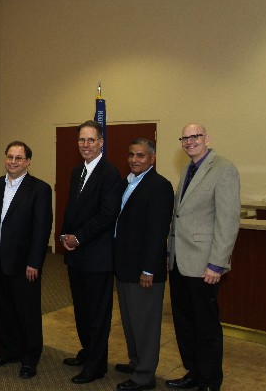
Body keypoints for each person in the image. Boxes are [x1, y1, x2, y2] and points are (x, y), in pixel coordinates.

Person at [166, 124, 240, 391]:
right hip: (179, 261)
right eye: (184, 138)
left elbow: (228, 221)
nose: (189, 142)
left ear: (207, 138)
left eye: (195, 136)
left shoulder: (224, 169)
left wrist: (216, 263)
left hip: (204, 264)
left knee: (206, 327)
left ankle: (210, 380)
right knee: (185, 323)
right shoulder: (188, 169)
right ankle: (194, 373)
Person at [0, 141, 53, 380]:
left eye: (19, 158)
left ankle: (30, 358)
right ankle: (8, 351)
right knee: (2, 310)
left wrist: (35, 262)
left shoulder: (40, 189)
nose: (13, 162)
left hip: (25, 265)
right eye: (10, 157)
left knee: (28, 313)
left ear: (28, 162)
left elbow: (42, 229)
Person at [59, 120, 121, 384]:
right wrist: (64, 235)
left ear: (101, 142)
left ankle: (96, 366)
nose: (85, 145)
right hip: (77, 256)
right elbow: (72, 209)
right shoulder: (77, 172)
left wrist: (79, 238)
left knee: (97, 314)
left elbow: (108, 215)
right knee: (82, 310)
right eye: (82, 140)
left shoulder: (109, 173)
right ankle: (88, 351)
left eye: (91, 140)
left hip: (97, 256)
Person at [113, 139, 174, 391]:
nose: (134, 159)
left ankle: (145, 376)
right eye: (131, 155)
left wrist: (149, 269)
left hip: (144, 271)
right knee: (130, 321)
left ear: (152, 158)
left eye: (140, 156)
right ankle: (136, 362)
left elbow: (156, 232)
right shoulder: (128, 182)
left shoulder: (159, 186)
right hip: (125, 266)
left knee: (145, 325)